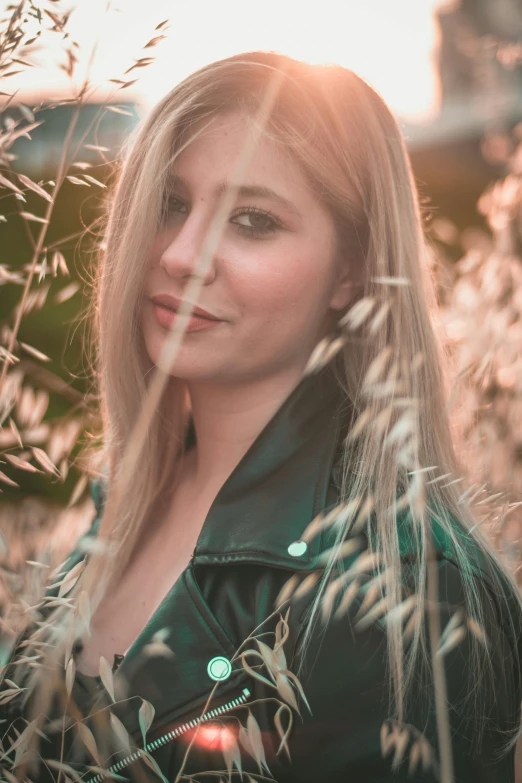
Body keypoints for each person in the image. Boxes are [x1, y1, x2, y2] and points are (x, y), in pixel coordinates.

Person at [1, 50, 521, 783]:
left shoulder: (410, 589)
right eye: (171, 203)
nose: (181, 254)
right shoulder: (124, 494)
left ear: (353, 271)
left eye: (252, 220)